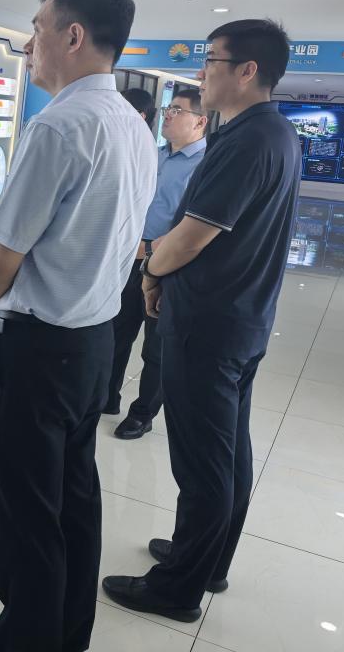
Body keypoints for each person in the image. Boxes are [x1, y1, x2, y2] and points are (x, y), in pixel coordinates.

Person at [0, 0, 156, 652]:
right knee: (75, 498)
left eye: (37, 29)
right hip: (94, 343)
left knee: (25, 517)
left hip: (37, 351)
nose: (29, 45)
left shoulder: (58, 126)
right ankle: (70, 634)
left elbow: (1, 257)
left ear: (73, 35)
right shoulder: (134, 126)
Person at [102, 19, 300, 622]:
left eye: (211, 59)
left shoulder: (245, 141)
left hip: (209, 324)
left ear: (247, 70)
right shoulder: (274, 133)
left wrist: (151, 270)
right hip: (241, 320)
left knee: (203, 463)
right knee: (227, 452)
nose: (201, 71)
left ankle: (176, 588)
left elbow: (191, 236)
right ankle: (207, 559)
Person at [105, 88, 208, 439]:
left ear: (200, 121)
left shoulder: (205, 166)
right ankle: (106, 396)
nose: (168, 116)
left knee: (157, 347)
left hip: (169, 266)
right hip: (129, 258)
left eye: (177, 111)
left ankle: (143, 413)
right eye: (168, 109)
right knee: (116, 331)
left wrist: (149, 249)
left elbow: (192, 228)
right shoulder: (153, 153)